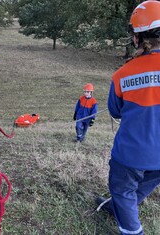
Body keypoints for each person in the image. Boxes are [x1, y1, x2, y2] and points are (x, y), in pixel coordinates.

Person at [96, 1, 160, 234]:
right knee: (141, 187)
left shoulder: (123, 73)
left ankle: (132, 229)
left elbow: (115, 111)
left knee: (123, 189)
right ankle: (119, 208)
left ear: (137, 38)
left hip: (130, 154)